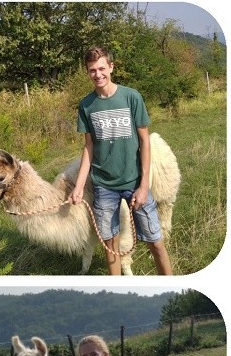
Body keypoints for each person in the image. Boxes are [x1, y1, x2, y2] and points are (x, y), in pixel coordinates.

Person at [68, 47, 173, 276]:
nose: (98, 74)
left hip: (134, 182)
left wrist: (144, 185)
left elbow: (145, 141)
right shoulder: (86, 105)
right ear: (88, 72)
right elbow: (89, 147)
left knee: (156, 243)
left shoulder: (131, 97)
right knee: (110, 248)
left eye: (102, 68)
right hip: (103, 187)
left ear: (111, 67)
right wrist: (78, 187)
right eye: (92, 70)